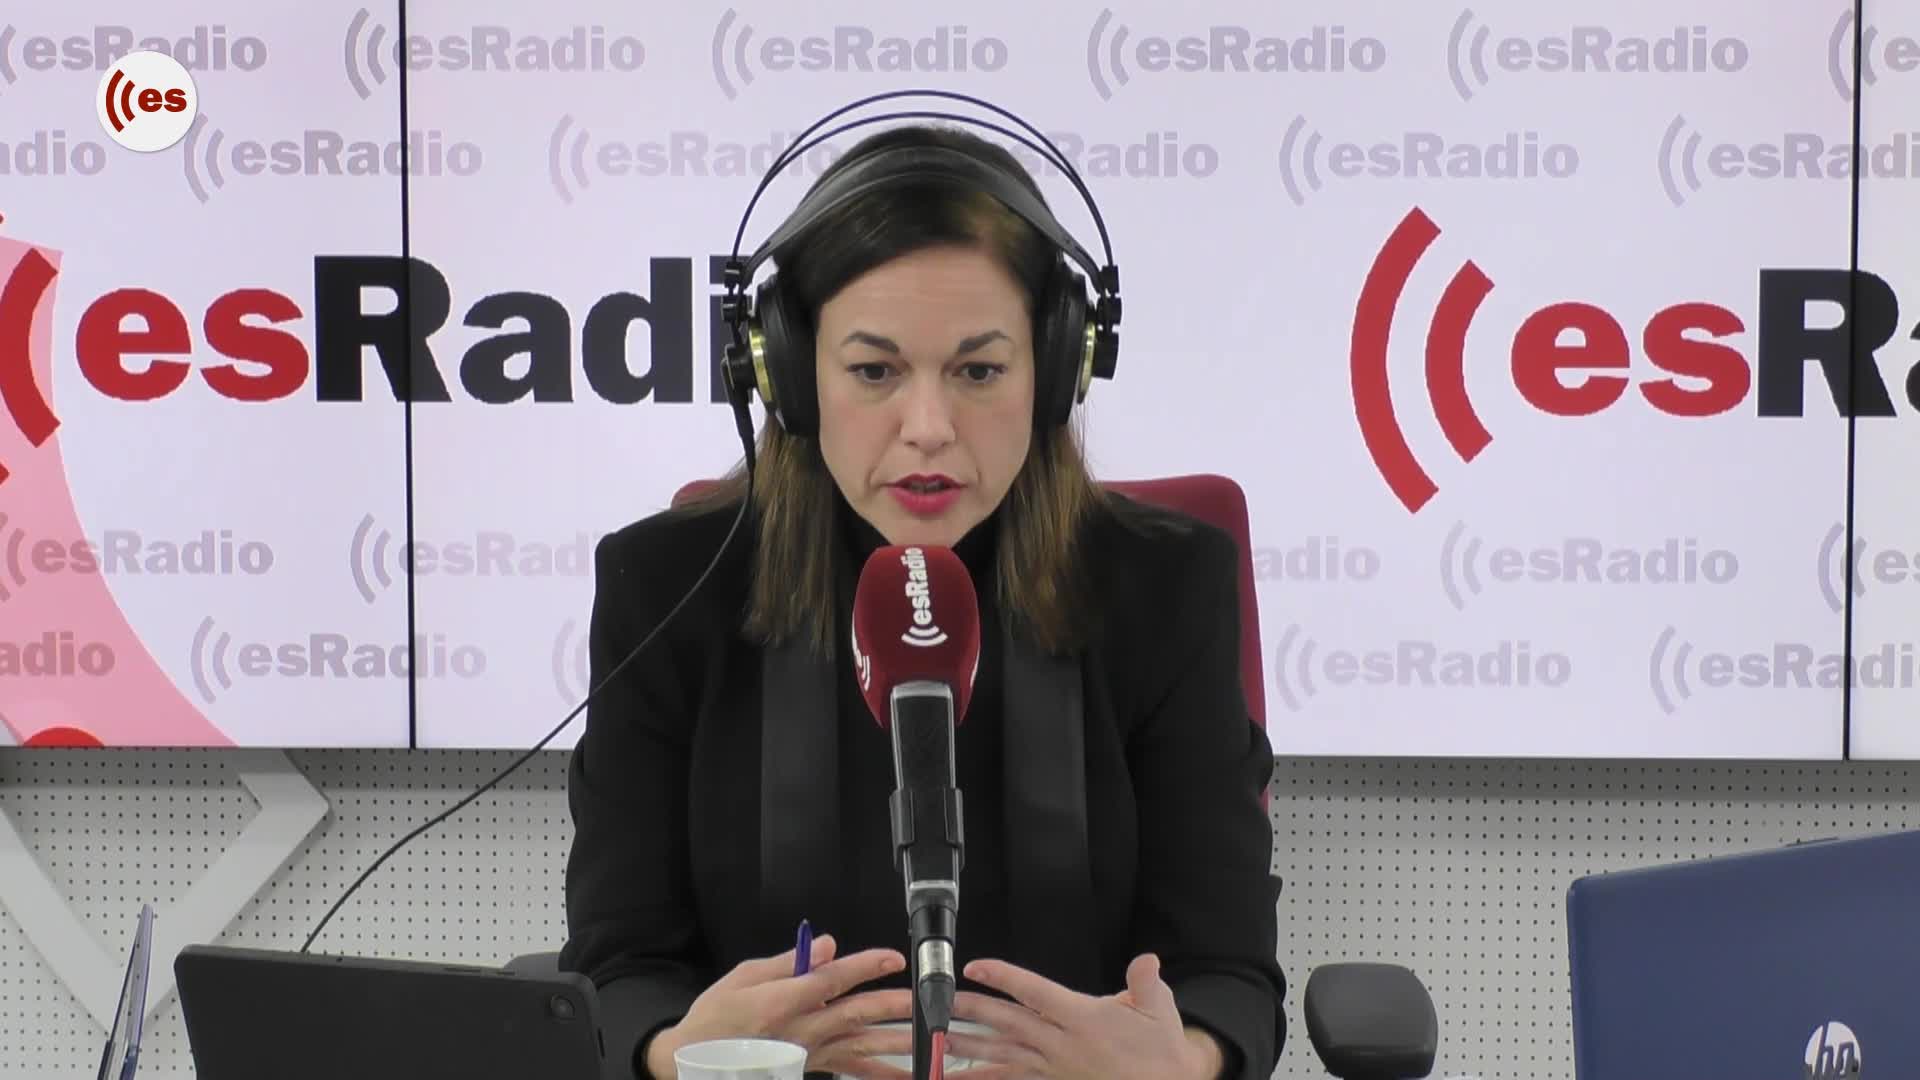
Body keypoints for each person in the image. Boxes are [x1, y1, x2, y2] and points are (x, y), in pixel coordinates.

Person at [560, 119, 1285, 1080]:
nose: (930, 427)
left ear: (1056, 370)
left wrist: (1180, 1061)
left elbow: (1228, 975)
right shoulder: (665, 591)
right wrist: (679, 1051)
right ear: (789, 376)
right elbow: (616, 970)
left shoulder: (1165, 589)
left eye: (980, 370)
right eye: (875, 371)